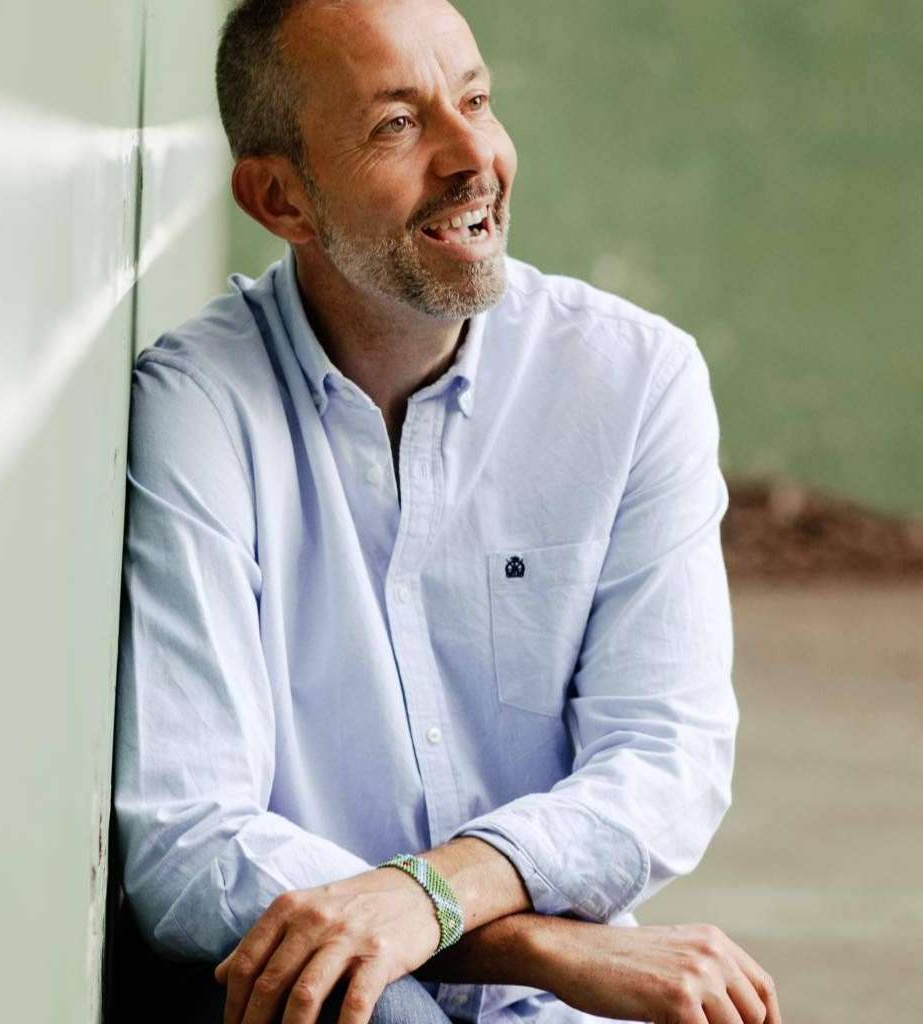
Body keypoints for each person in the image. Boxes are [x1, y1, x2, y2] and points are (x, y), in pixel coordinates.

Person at [111, 0, 782, 1022]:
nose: (475, 157)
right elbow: (186, 839)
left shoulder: (634, 380)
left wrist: (430, 901)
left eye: (475, 100)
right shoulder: (199, 408)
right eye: (397, 123)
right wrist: (529, 943)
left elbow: (665, 761)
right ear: (281, 198)